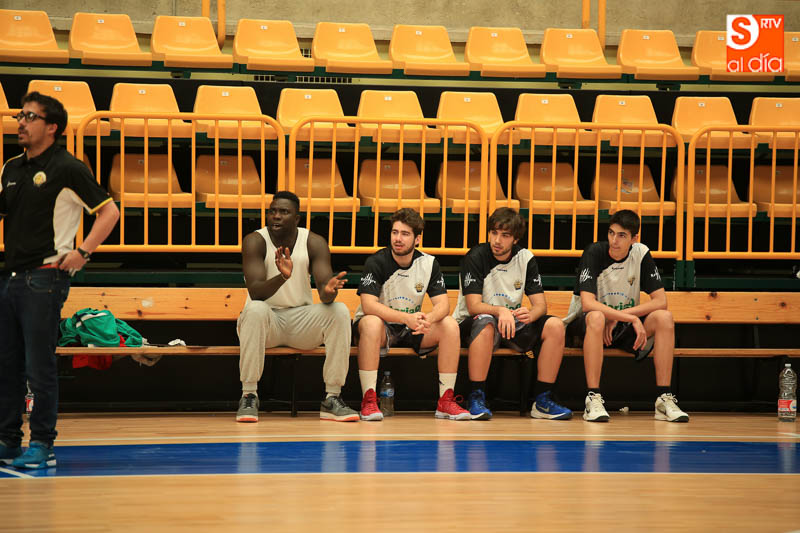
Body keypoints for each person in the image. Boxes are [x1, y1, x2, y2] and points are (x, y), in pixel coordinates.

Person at [0, 92, 120, 469]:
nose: (21, 122)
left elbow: (109, 212)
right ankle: (7, 440)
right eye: (20, 115)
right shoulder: (11, 168)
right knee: (7, 365)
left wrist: (82, 251)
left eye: (30, 117)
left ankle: (42, 444)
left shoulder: (68, 168)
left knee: (39, 366)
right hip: (10, 277)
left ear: (52, 127)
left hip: (45, 277)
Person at [236, 190, 358, 423]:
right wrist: (282, 277)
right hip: (265, 324)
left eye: (283, 212)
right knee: (254, 308)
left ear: (297, 218)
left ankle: (332, 397)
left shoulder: (313, 242)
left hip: (300, 324)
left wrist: (329, 291)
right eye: (272, 211)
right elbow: (256, 292)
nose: (276, 216)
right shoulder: (255, 240)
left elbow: (325, 294)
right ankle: (249, 395)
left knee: (340, 311)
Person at [564, 209, 689, 423]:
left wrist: (620, 317)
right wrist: (629, 318)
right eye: (611, 233)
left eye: (621, 235)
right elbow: (588, 304)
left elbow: (661, 301)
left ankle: (663, 399)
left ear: (634, 238)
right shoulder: (594, 252)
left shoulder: (641, 254)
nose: (614, 240)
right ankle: (593, 398)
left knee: (664, 318)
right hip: (587, 325)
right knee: (597, 316)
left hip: (619, 327)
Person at [453, 207, 572, 421]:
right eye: (494, 233)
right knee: (486, 322)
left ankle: (542, 401)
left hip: (510, 323)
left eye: (505, 235)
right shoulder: (475, 256)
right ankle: (476, 397)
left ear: (515, 239)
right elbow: (473, 306)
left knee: (555, 326)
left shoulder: (525, 258)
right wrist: (501, 310)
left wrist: (530, 315)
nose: (497, 240)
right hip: (473, 322)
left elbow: (540, 306)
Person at [353, 208, 470, 421]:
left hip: (411, 327)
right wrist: (406, 318)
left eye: (405, 234)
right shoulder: (376, 261)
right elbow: (368, 305)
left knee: (450, 325)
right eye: (395, 232)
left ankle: (445, 401)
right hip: (380, 328)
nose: (398, 238)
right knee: (370, 322)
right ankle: (368, 400)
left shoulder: (428, 263)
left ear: (417, 239)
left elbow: (443, 305)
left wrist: (427, 320)